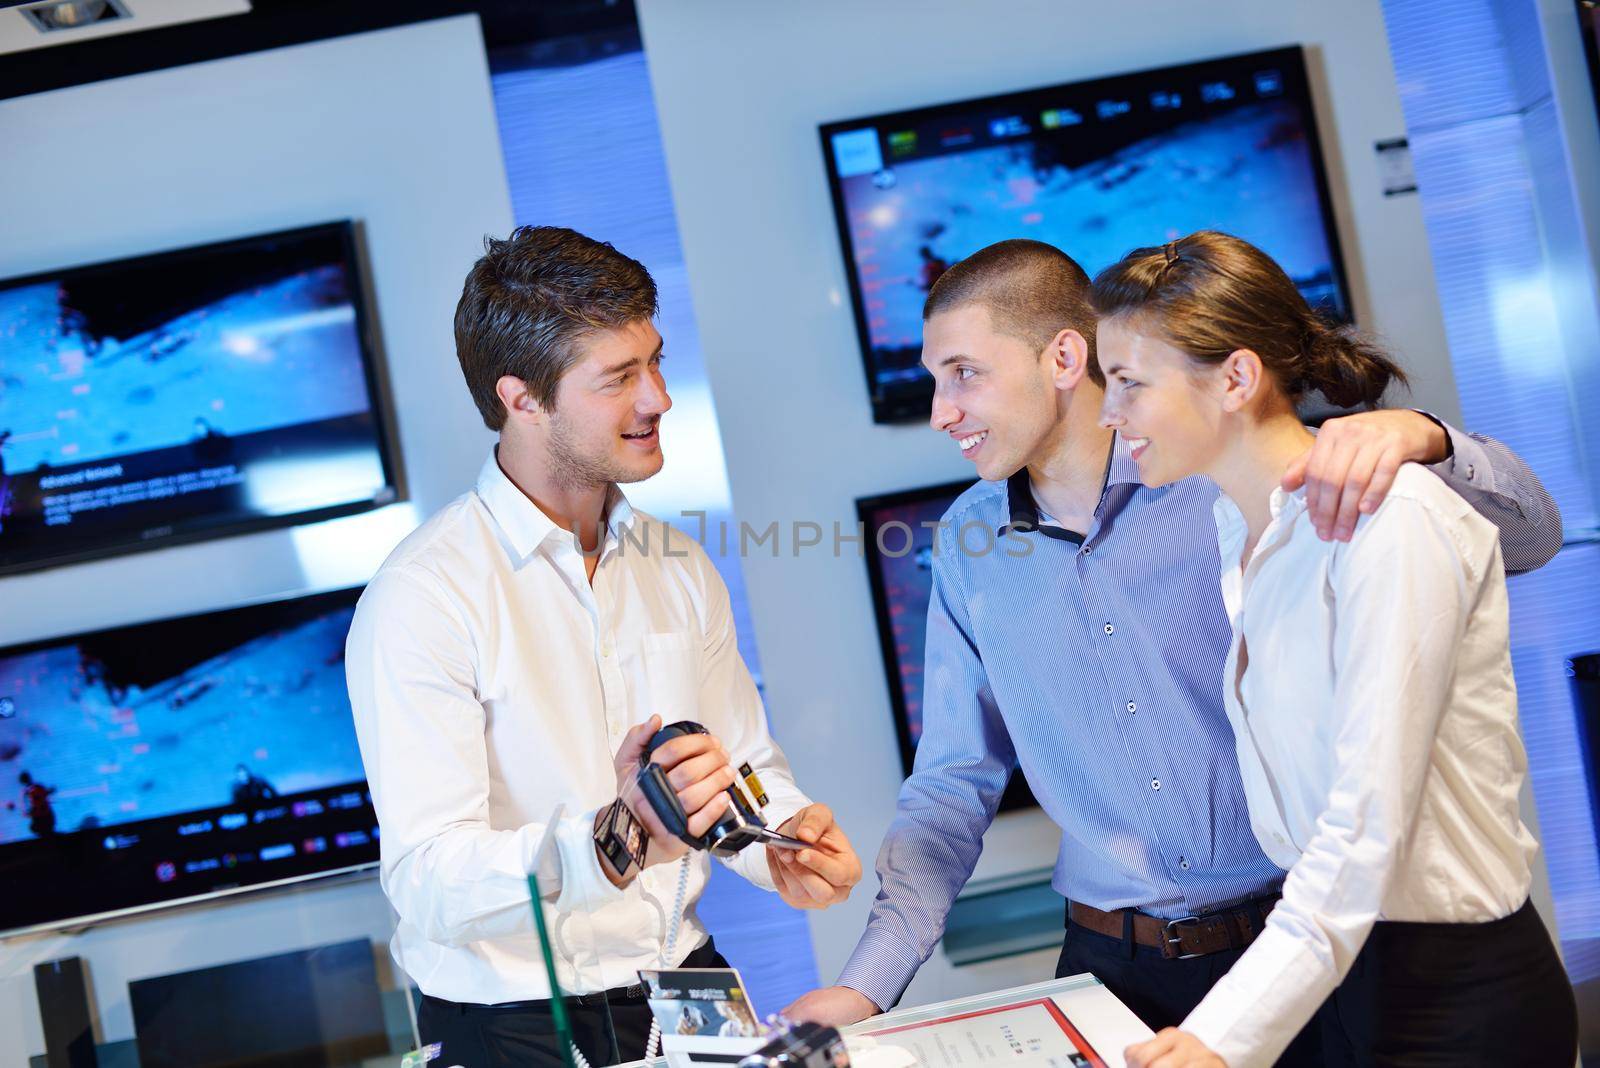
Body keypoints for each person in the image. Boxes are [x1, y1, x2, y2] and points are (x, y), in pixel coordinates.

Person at [784, 239, 1562, 1059]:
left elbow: (1524, 537)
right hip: (1114, 968)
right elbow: (950, 784)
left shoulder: (1233, 477)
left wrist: (1427, 437)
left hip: (1305, 942)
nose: (941, 410)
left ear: (1061, 356)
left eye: (964, 372)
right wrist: (866, 983)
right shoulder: (973, 548)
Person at [345, 226, 861, 1068]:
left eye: (654, 361)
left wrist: (781, 841)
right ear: (523, 400)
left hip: (688, 976)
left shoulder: (679, 565)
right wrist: (612, 838)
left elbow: (741, 764)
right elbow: (428, 879)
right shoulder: (421, 597)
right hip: (513, 1014)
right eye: (619, 378)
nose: (658, 397)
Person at [1093, 231, 1576, 1067]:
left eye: (1130, 383)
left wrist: (1221, 1036)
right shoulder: (1227, 524)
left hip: (1458, 997)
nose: (1109, 412)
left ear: (1237, 378)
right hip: (1340, 974)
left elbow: (1362, 827)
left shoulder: (1393, 519)